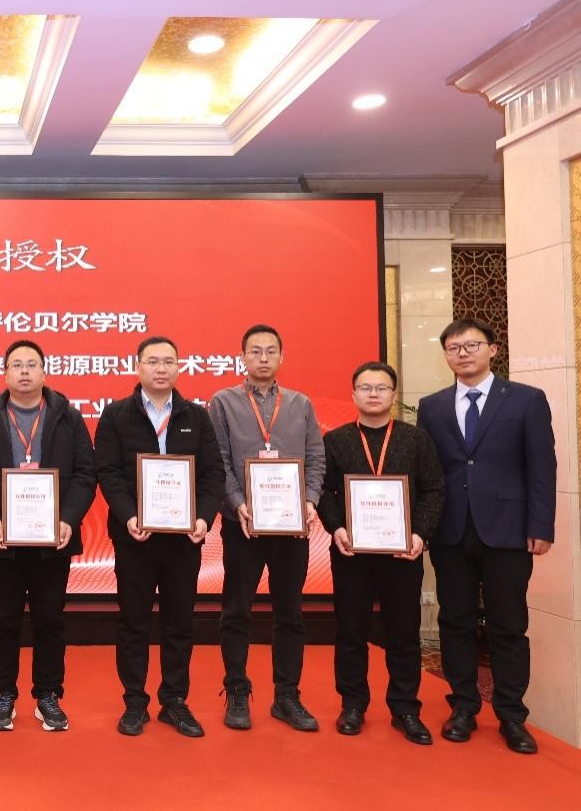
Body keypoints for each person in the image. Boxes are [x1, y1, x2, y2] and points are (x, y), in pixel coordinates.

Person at [417, 317, 556, 754]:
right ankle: (463, 706)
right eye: (453, 348)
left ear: (492, 350)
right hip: (451, 530)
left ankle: (512, 715)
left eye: (471, 345)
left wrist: (540, 526)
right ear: (445, 355)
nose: (463, 353)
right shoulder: (432, 406)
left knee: (508, 624)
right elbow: (428, 473)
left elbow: (542, 467)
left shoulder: (527, 400)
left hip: (509, 530)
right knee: (454, 620)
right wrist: (423, 525)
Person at [0, 339, 96, 732]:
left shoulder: (68, 417)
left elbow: (86, 473)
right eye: (16, 364)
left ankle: (48, 694)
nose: (24, 371)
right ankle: (3, 694)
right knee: (3, 619)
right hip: (3, 539)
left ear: (44, 371)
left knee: (50, 619)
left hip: (53, 541)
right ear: (4, 373)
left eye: (31, 364)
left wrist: (68, 518)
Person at [95, 335, 224, 738]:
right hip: (135, 537)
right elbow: (108, 472)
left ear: (179, 367)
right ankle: (135, 701)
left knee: (179, 623)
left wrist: (203, 518)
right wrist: (129, 516)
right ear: (138, 367)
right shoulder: (116, 415)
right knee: (133, 621)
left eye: (169, 361)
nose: (161, 368)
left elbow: (213, 474)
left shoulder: (196, 415)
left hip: (183, 541)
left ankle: (174, 701)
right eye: (152, 361)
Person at [316, 362, 444, 744]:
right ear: (353, 394)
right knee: (350, 631)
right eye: (366, 387)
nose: (373, 394)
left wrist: (420, 534)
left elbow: (434, 489)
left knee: (403, 633)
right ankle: (353, 704)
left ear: (393, 394)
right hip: (351, 554)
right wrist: (336, 527)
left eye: (381, 388)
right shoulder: (336, 440)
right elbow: (323, 490)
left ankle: (405, 708)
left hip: (402, 555)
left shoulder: (416, 440)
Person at [208, 323, 325, 732]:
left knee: (290, 612)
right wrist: (238, 503)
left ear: (281, 357)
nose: (262, 357)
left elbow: (315, 457)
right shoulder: (222, 402)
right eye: (254, 351)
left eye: (270, 351)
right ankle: (237, 690)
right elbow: (218, 460)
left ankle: (286, 696)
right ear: (242, 357)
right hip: (242, 524)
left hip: (291, 527)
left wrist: (310, 500)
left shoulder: (300, 404)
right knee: (236, 610)